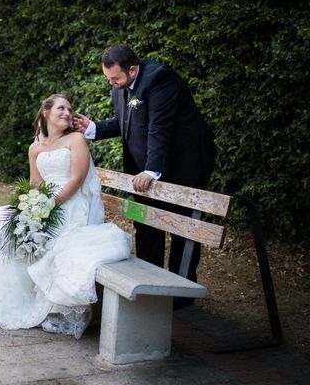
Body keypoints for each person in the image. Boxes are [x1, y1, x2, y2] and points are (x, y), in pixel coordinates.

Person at [0, 94, 131, 338]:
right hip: (44, 203)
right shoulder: (35, 147)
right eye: (61, 108)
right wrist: (30, 207)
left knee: (47, 239)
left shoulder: (76, 139)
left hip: (71, 205)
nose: (67, 113)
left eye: (70, 109)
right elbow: (35, 183)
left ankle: (37, 302)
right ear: (46, 112)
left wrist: (50, 205)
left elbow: (76, 179)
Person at [73, 44, 216, 304]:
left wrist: (151, 169)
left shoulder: (160, 79)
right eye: (108, 78)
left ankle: (179, 296)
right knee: (147, 224)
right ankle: (150, 289)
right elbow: (126, 121)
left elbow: (159, 125)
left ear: (133, 69)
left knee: (183, 226)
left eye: (115, 78)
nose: (112, 84)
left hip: (186, 163)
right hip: (150, 167)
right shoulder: (120, 85)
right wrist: (94, 127)